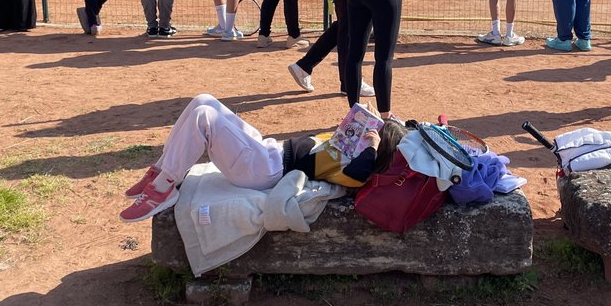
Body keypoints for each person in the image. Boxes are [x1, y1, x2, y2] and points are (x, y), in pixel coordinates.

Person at [119, 94, 409, 222]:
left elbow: (360, 175)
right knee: (203, 100)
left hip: (261, 169)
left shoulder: (356, 168)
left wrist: (371, 146)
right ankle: (160, 170)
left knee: (203, 117)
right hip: (266, 152)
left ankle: (164, 188)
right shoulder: (350, 153)